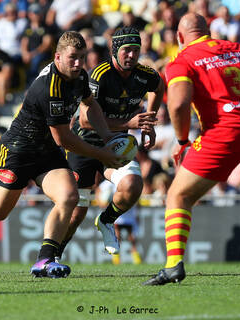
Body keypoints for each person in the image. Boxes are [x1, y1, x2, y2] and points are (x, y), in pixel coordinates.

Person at [0, 31, 121, 279]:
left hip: (46, 152)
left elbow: (90, 104)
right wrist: (101, 153)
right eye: (73, 57)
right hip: (18, 150)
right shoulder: (49, 87)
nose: (78, 63)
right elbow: (64, 138)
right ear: (58, 56)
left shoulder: (79, 76)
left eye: (81, 57)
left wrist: (106, 136)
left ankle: (45, 261)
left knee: (69, 196)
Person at [143, 13, 240, 286]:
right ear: (208, 31)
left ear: (178, 37)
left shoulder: (182, 59)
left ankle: (173, 265)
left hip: (225, 130)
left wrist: (183, 140)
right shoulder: (238, 49)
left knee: (178, 195)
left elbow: (177, 105)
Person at [56, 27, 164, 260]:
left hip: (115, 144)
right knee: (76, 213)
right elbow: (85, 121)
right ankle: (53, 255)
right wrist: (130, 121)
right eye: (127, 50)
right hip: (84, 145)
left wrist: (149, 121)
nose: (132, 56)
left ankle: (106, 220)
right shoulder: (100, 74)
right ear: (115, 50)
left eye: (136, 50)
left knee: (134, 185)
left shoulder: (145, 74)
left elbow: (159, 86)